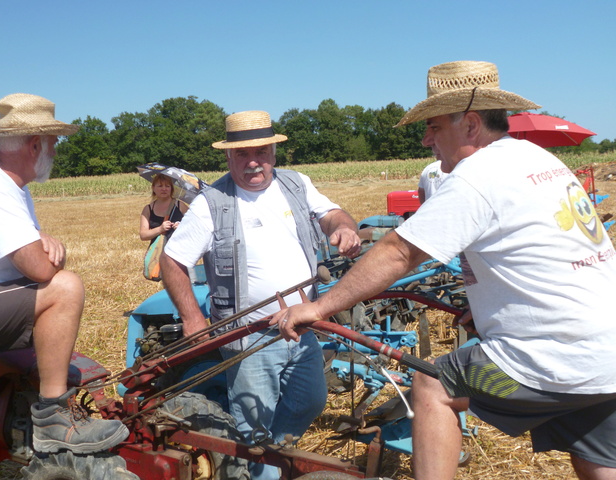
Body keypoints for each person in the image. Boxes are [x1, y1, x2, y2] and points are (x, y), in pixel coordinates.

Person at [272, 61, 616, 480]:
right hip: (604, 356)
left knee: (434, 386)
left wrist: (320, 307)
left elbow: (400, 253)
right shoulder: (535, 158)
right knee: (594, 453)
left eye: (434, 126)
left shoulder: (478, 175)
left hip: (551, 362)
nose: (426, 138)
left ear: (470, 124)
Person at [160, 110, 362, 479]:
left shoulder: (296, 184)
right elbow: (172, 260)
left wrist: (345, 229)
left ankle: (274, 458)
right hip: (250, 336)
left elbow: (331, 213)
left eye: (262, 152)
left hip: (303, 327)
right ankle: (262, 470)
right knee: (253, 422)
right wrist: (193, 319)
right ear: (228, 156)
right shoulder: (212, 202)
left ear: (273, 151)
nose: (254, 162)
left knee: (310, 400)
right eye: (242, 154)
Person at [0, 93, 128, 453]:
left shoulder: (8, 186)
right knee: (64, 288)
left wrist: (40, 240)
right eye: (53, 143)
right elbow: (40, 267)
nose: (56, 153)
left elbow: (31, 252)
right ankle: (53, 418)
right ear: (34, 145)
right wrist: (48, 252)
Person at [139, 173, 188, 244]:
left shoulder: (180, 205)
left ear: (171, 188)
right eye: (160, 186)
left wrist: (182, 227)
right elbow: (143, 235)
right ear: (153, 188)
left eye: (167, 186)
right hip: (157, 252)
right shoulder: (148, 209)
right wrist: (160, 229)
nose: (164, 189)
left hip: (178, 251)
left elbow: (194, 225)